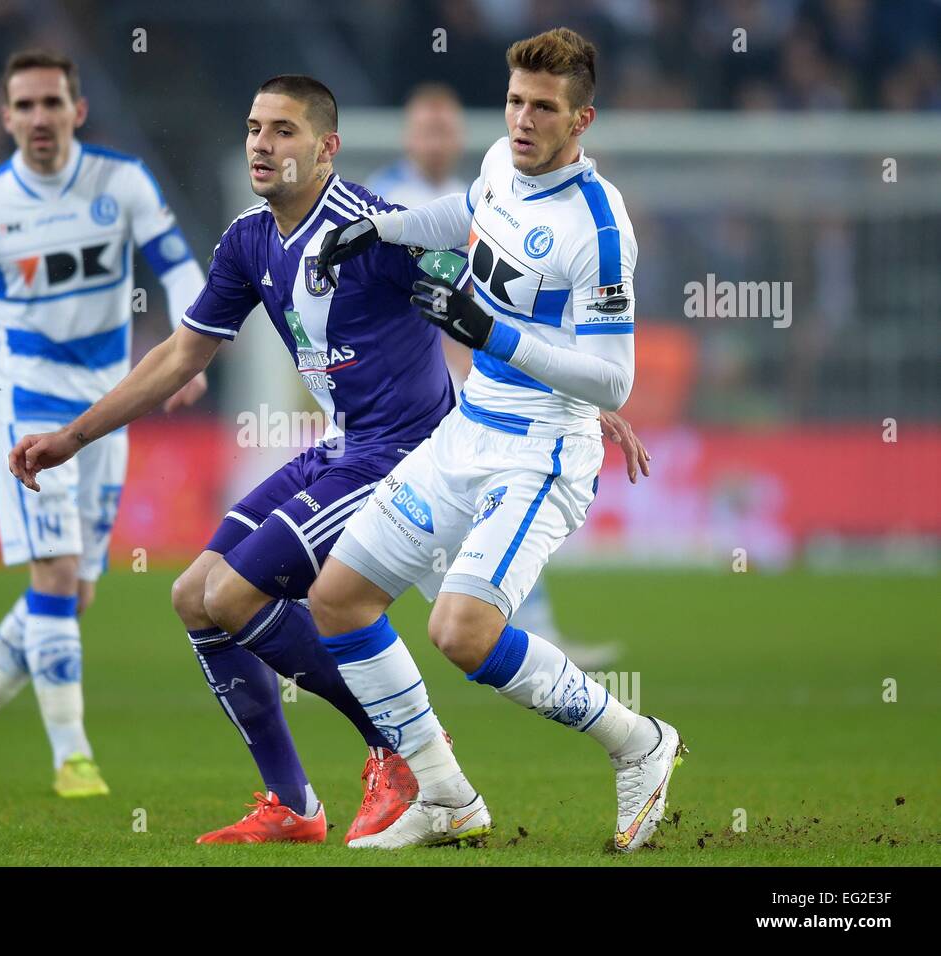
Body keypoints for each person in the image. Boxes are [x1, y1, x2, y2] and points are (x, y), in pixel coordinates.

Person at [10, 74, 490, 846]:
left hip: (407, 453)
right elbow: (180, 357)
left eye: (284, 131)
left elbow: (487, 309)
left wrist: (578, 393)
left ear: (327, 148)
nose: (262, 145)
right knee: (195, 595)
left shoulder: (381, 228)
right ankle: (293, 805)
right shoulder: (248, 240)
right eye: (254, 128)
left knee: (235, 595)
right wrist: (73, 436)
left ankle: (401, 752)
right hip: (343, 446)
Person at [310, 27, 680, 851]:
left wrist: (493, 333)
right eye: (515, 102)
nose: (522, 121)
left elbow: (614, 381)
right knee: (337, 599)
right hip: (468, 427)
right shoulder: (498, 165)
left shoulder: (600, 227)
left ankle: (640, 744)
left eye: (543, 108)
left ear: (580, 120)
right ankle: (444, 795)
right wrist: (382, 231)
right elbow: (467, 213)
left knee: (460, 631)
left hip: (543, 450)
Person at [0, 50, 207, 800]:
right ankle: (72, 757)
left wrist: (194, 346)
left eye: (53, 103)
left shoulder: (122, 183)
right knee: (52, 576)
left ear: (77, 111)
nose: (40, 117)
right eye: (26, 105)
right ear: (6, 118)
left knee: (72, 595)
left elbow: (179, 269)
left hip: (109, 409)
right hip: (30, 405)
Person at [368, 83, 629, 670]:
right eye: (427, 128)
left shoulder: (494, 186)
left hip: (482, 384)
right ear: (408, 135)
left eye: (447, 128)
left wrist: (587, 394)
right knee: (387, 525)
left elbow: (527, 316)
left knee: (493, 519)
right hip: (406, 390)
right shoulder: (387, 198)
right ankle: (334, 636)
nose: (439, 139)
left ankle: (529, 636)